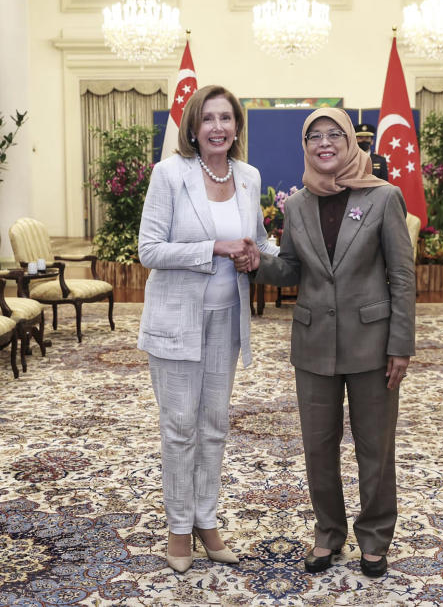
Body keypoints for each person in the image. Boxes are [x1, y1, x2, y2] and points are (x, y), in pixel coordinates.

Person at [243, 108, 415, 578]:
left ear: (349, 141)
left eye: (333, 134)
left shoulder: (383, 197)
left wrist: (401, 344)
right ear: (305, 146)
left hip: (373, 343)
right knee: (318, 446)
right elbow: (293, 268)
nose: (324, 143)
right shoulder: (297, 204)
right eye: (313, 136)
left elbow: (401, 275)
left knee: (374, 447)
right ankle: (328, 534)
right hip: (314, 342)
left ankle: (375, 538)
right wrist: (257, 261)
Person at [137, 85, 277, 573]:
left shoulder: (249, 176)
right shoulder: (169, 174)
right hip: (176, 323)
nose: (218, 127)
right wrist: (213, 248)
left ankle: (207, 520)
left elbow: (256, 239)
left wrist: (262, 254)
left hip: (227, 323)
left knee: (214, 427)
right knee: (179, 428)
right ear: (193, 128)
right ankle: (179, 529)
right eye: (208, 119)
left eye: (227, 118)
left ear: (237, 126)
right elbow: (149, 249)